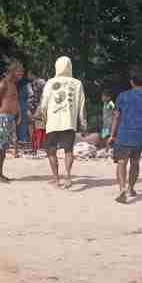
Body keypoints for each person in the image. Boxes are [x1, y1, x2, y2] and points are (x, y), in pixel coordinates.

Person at [107, 70, 142, 204]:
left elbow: (116, 117)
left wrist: (112, 135)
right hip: (140, 135)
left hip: (123, 134)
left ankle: (122, 189)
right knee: (135, 162)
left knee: (122, 162)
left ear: (131, 82)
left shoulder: (122, 96)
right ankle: (131, 188)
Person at [39, 56, 87, 189]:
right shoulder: (77, 83)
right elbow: (81, 106)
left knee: (51, 150)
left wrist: (44, 119)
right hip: (69, 122)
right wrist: (83, 124)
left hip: (53, 123)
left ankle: (56, 178)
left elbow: (43, 104)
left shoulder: (50, 83)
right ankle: (68, 176)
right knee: (68, 150)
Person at [0, 60, 23, 183]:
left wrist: (17, 115)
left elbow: (14, 102)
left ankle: (0, 174)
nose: (22, 74)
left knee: (3, 148)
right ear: (13, 71)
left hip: (9, 119)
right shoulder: (4, 84)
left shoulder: (13, 85)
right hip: (3, 118)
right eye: (19, 71)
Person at [28, 77, 47, 155]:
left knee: (40, 135)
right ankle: (36, 149)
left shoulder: (44, 96)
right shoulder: (35, 96)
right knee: (37, 135)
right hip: (38, 119)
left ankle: (38, 149)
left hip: (41, 119)